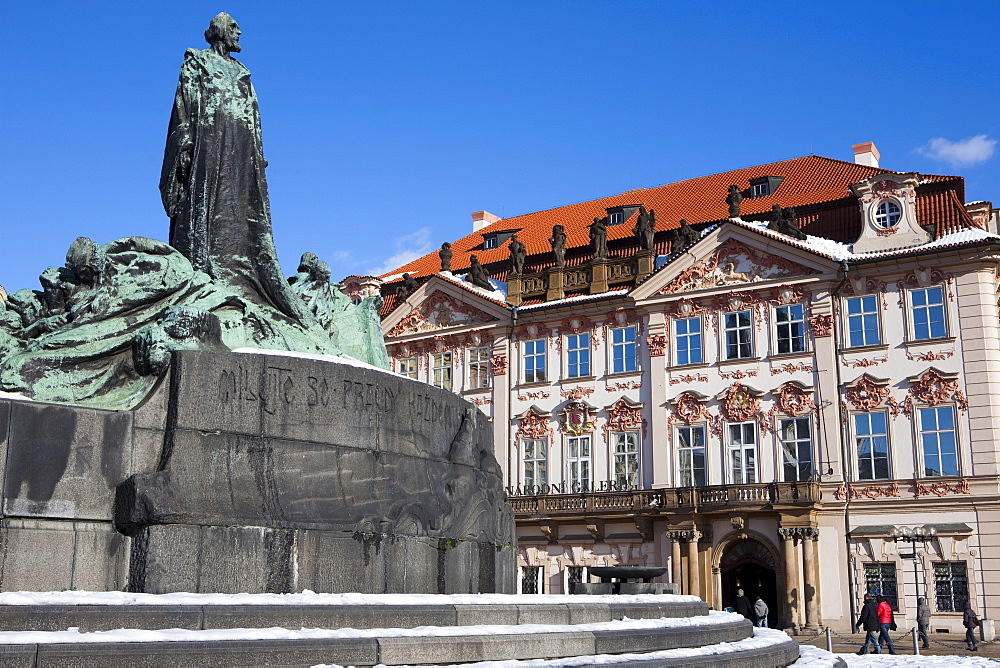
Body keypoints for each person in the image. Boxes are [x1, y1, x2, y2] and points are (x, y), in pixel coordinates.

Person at [160, 12, 303, 321]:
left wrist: (258, 152)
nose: (240, 33)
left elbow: (254, 117)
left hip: (241, 149)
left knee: (244, 211)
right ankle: (203, 271)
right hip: (209, 144)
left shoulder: (242, 72)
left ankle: (242, 274)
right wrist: (185, 141)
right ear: (221, 31)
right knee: (206, 205)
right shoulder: (197, 62)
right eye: (235, 28)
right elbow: (183, 106)